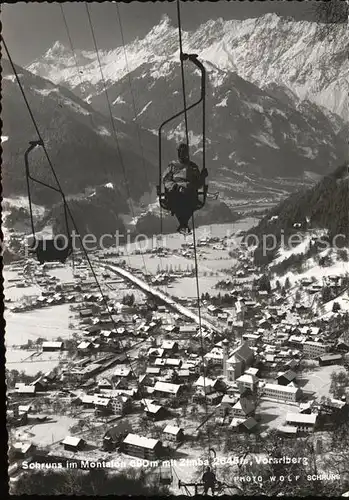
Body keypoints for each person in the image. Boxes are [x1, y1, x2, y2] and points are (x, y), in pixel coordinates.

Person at [163, 142, 208, 233]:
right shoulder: (172, 166)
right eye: (181, 152)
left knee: (189, 198)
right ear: (178, 153)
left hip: (189, 191)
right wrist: (176, 187)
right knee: (178, 198)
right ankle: (183, 224)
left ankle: (183, 224)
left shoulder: (193, 167)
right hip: (175, 191)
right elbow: (166, 180)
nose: (182, 154)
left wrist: (202, 177)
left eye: (184, 152)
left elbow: (198, 185)